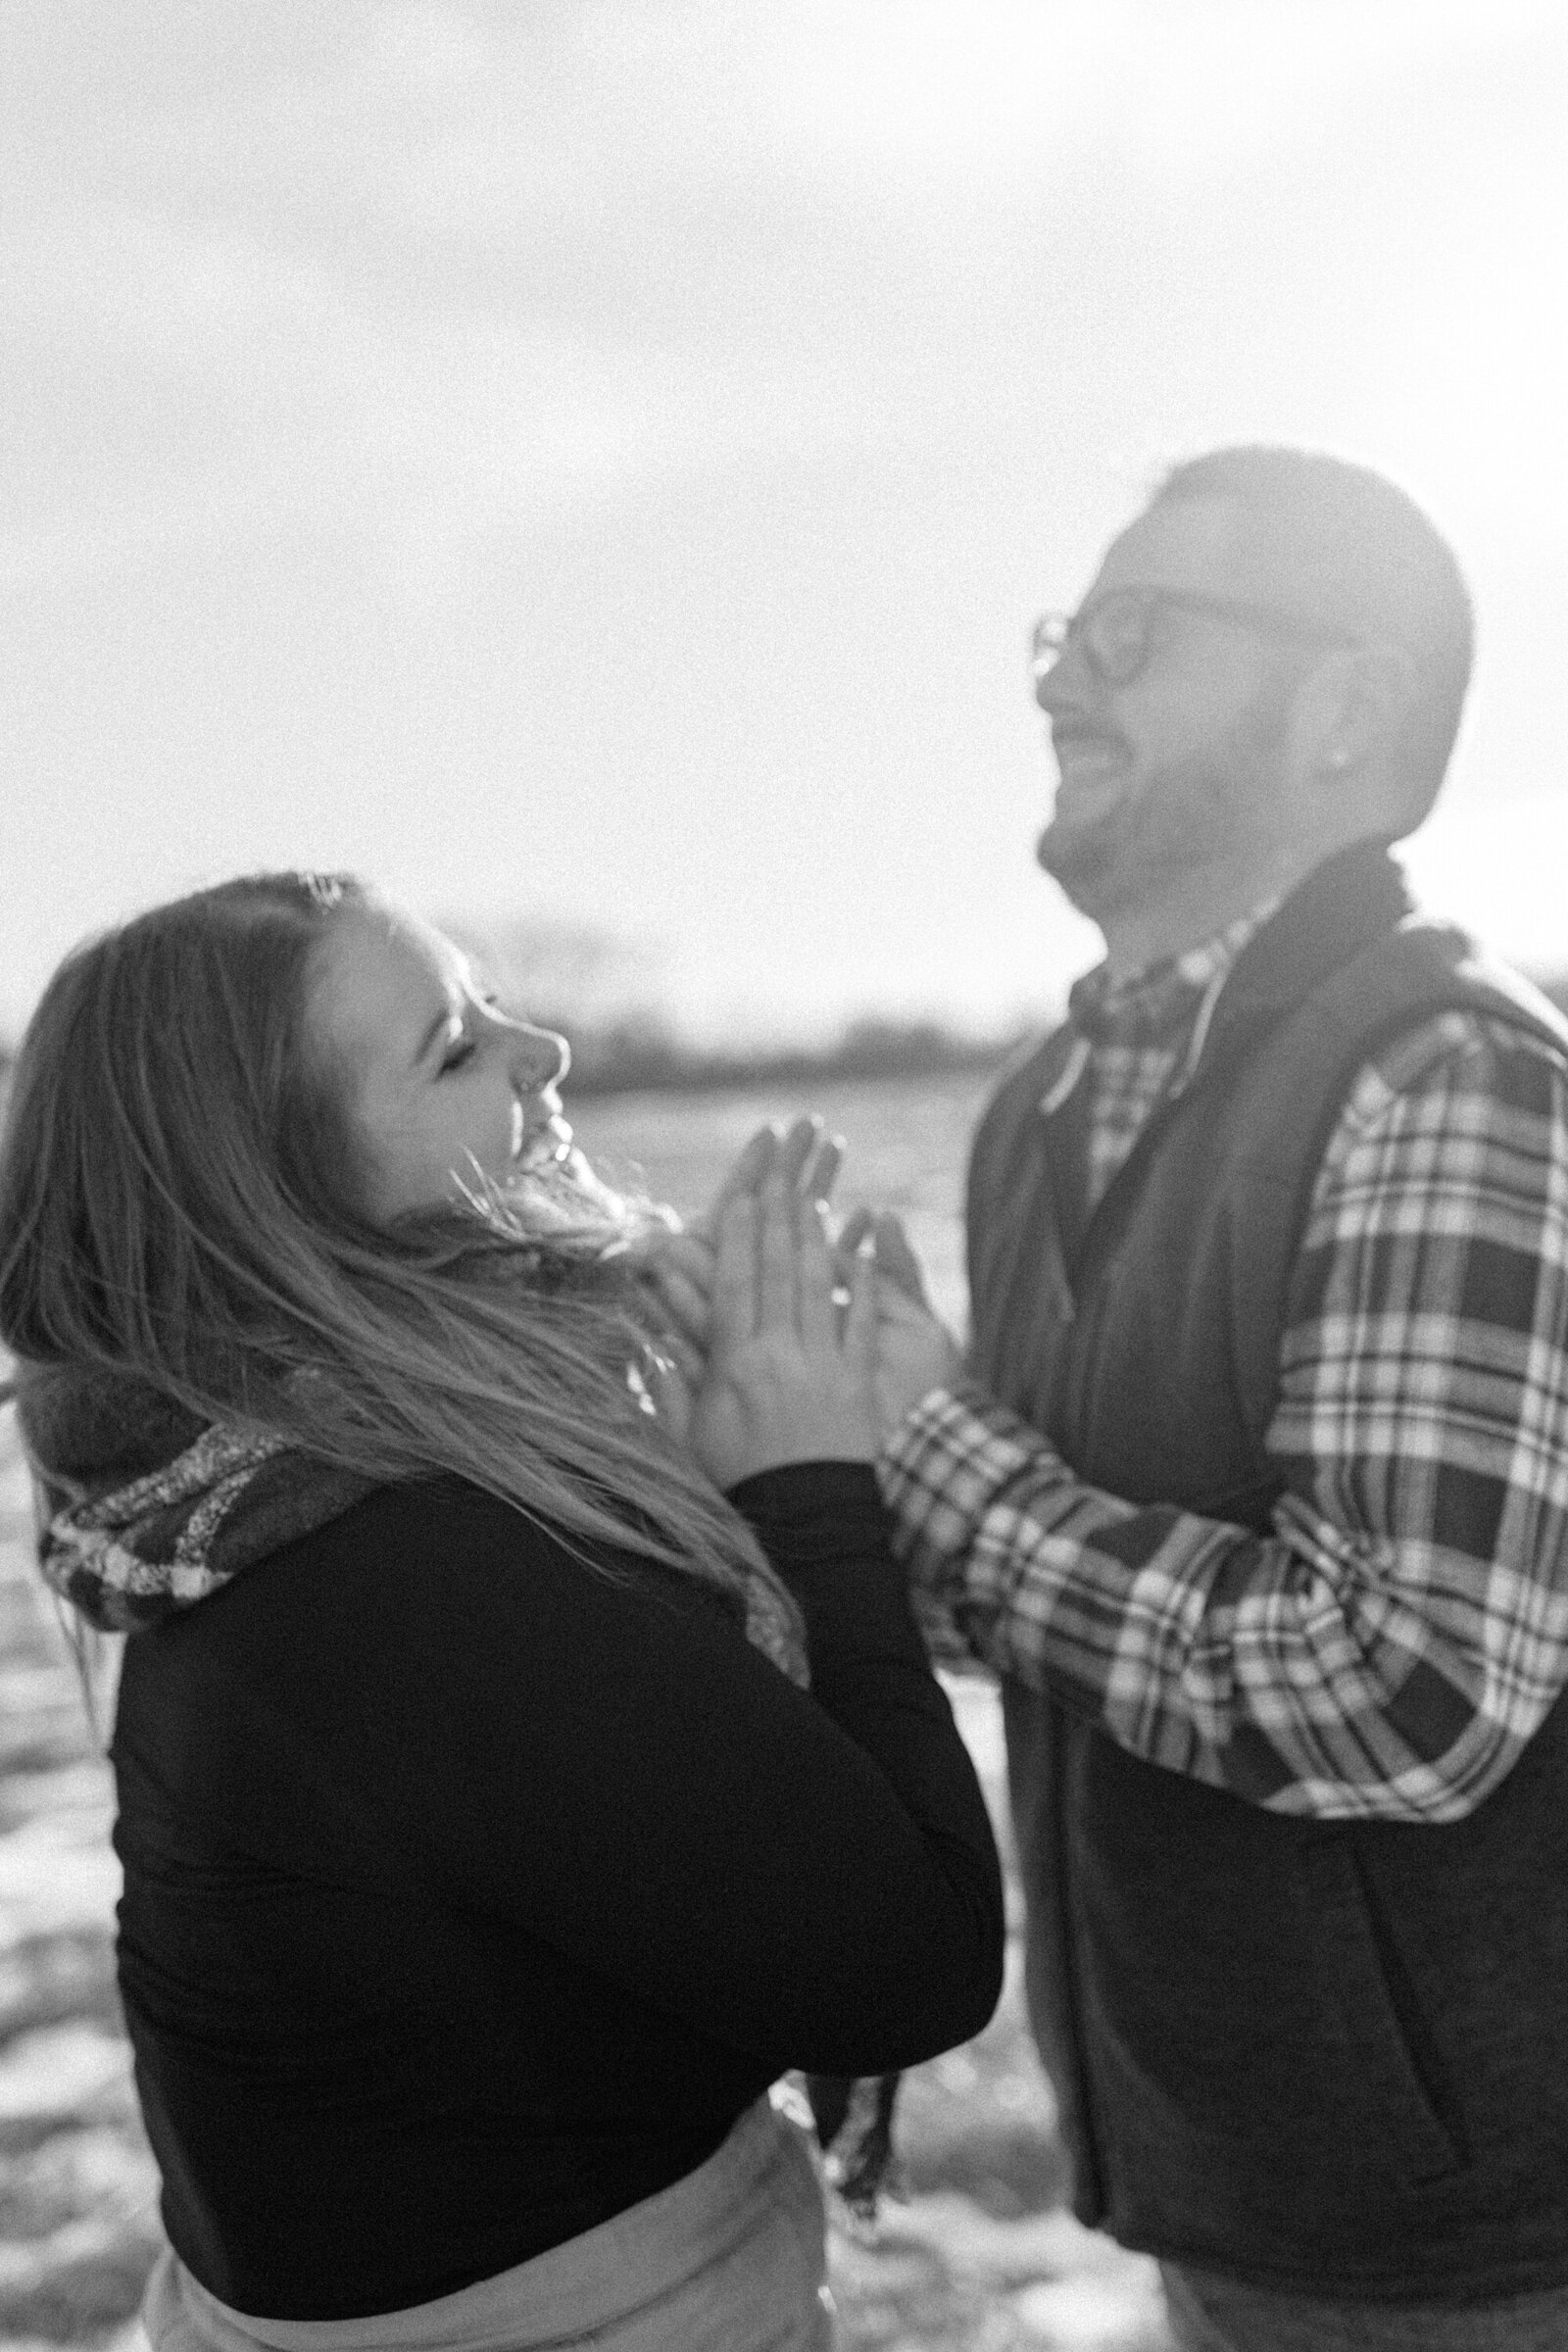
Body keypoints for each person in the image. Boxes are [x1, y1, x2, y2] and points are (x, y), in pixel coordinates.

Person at [661, 446, 1568, 2348]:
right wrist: (797, 1468)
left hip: (1480, 2234)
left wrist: (929, 1450)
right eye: (1063, 633)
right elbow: (1071, 1602)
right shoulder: (1040, 1110)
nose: (1061, 682)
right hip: (1214, 2170)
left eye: (1133, 633)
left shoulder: (1449, 1083)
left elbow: (1397, 1694)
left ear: (1344, 707)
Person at [0, 874, 1004, 2352]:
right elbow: (910, 1958)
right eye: (455, 1049)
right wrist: (805, 1481)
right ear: (280, 1189)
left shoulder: (262, 1478)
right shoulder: (397, 1563)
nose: (548, 1055)